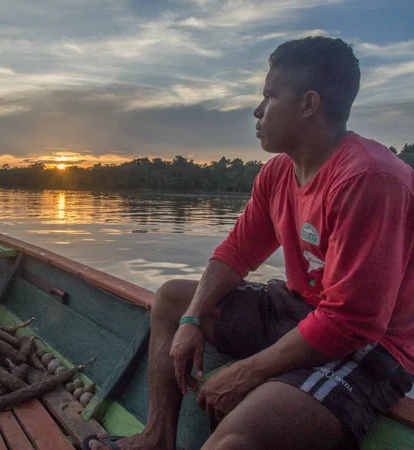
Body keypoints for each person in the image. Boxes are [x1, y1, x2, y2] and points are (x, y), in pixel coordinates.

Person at [86, 36, 414, 450]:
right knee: (172, 299)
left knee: (232, 443)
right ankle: (156, 439)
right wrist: (191, 319)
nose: (258, 112)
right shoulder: (279, 173)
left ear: (309, 104)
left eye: (269, 96)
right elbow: (236, 254)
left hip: (369, 346)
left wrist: (248, 372)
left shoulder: (369, 179)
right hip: (301, 310)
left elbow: (353, 323)